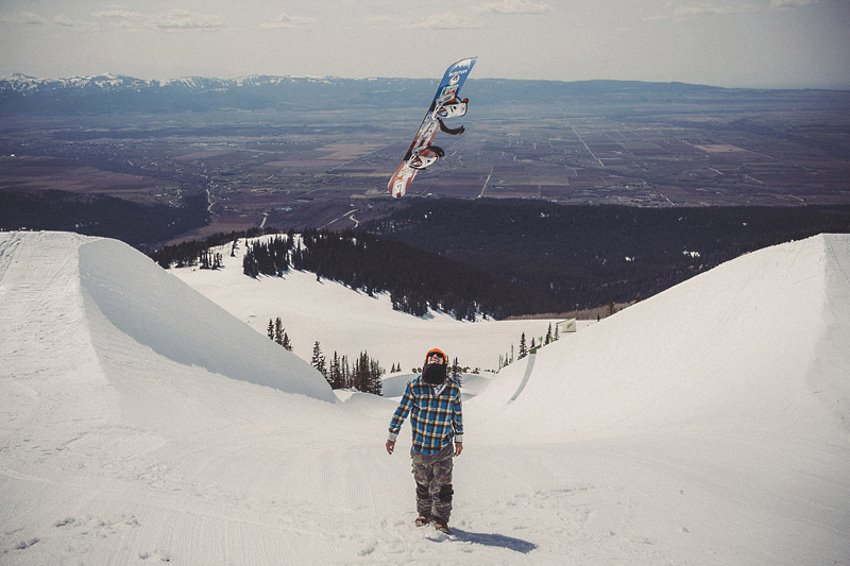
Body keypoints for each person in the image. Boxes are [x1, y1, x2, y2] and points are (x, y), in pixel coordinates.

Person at [385, 347, 463, 534]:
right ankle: (424, 514)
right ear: (426, 362)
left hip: (443, 447)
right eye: (431, 356)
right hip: (420, 447)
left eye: (439, 356)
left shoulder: (452, 388)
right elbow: (402, 411)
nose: (435, 358)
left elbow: (457, 415)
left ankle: (441, 520)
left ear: (444, 363)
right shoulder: (415, 386)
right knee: (423, 484)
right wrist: (392, 436)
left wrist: (458, 440)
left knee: (443, 486)